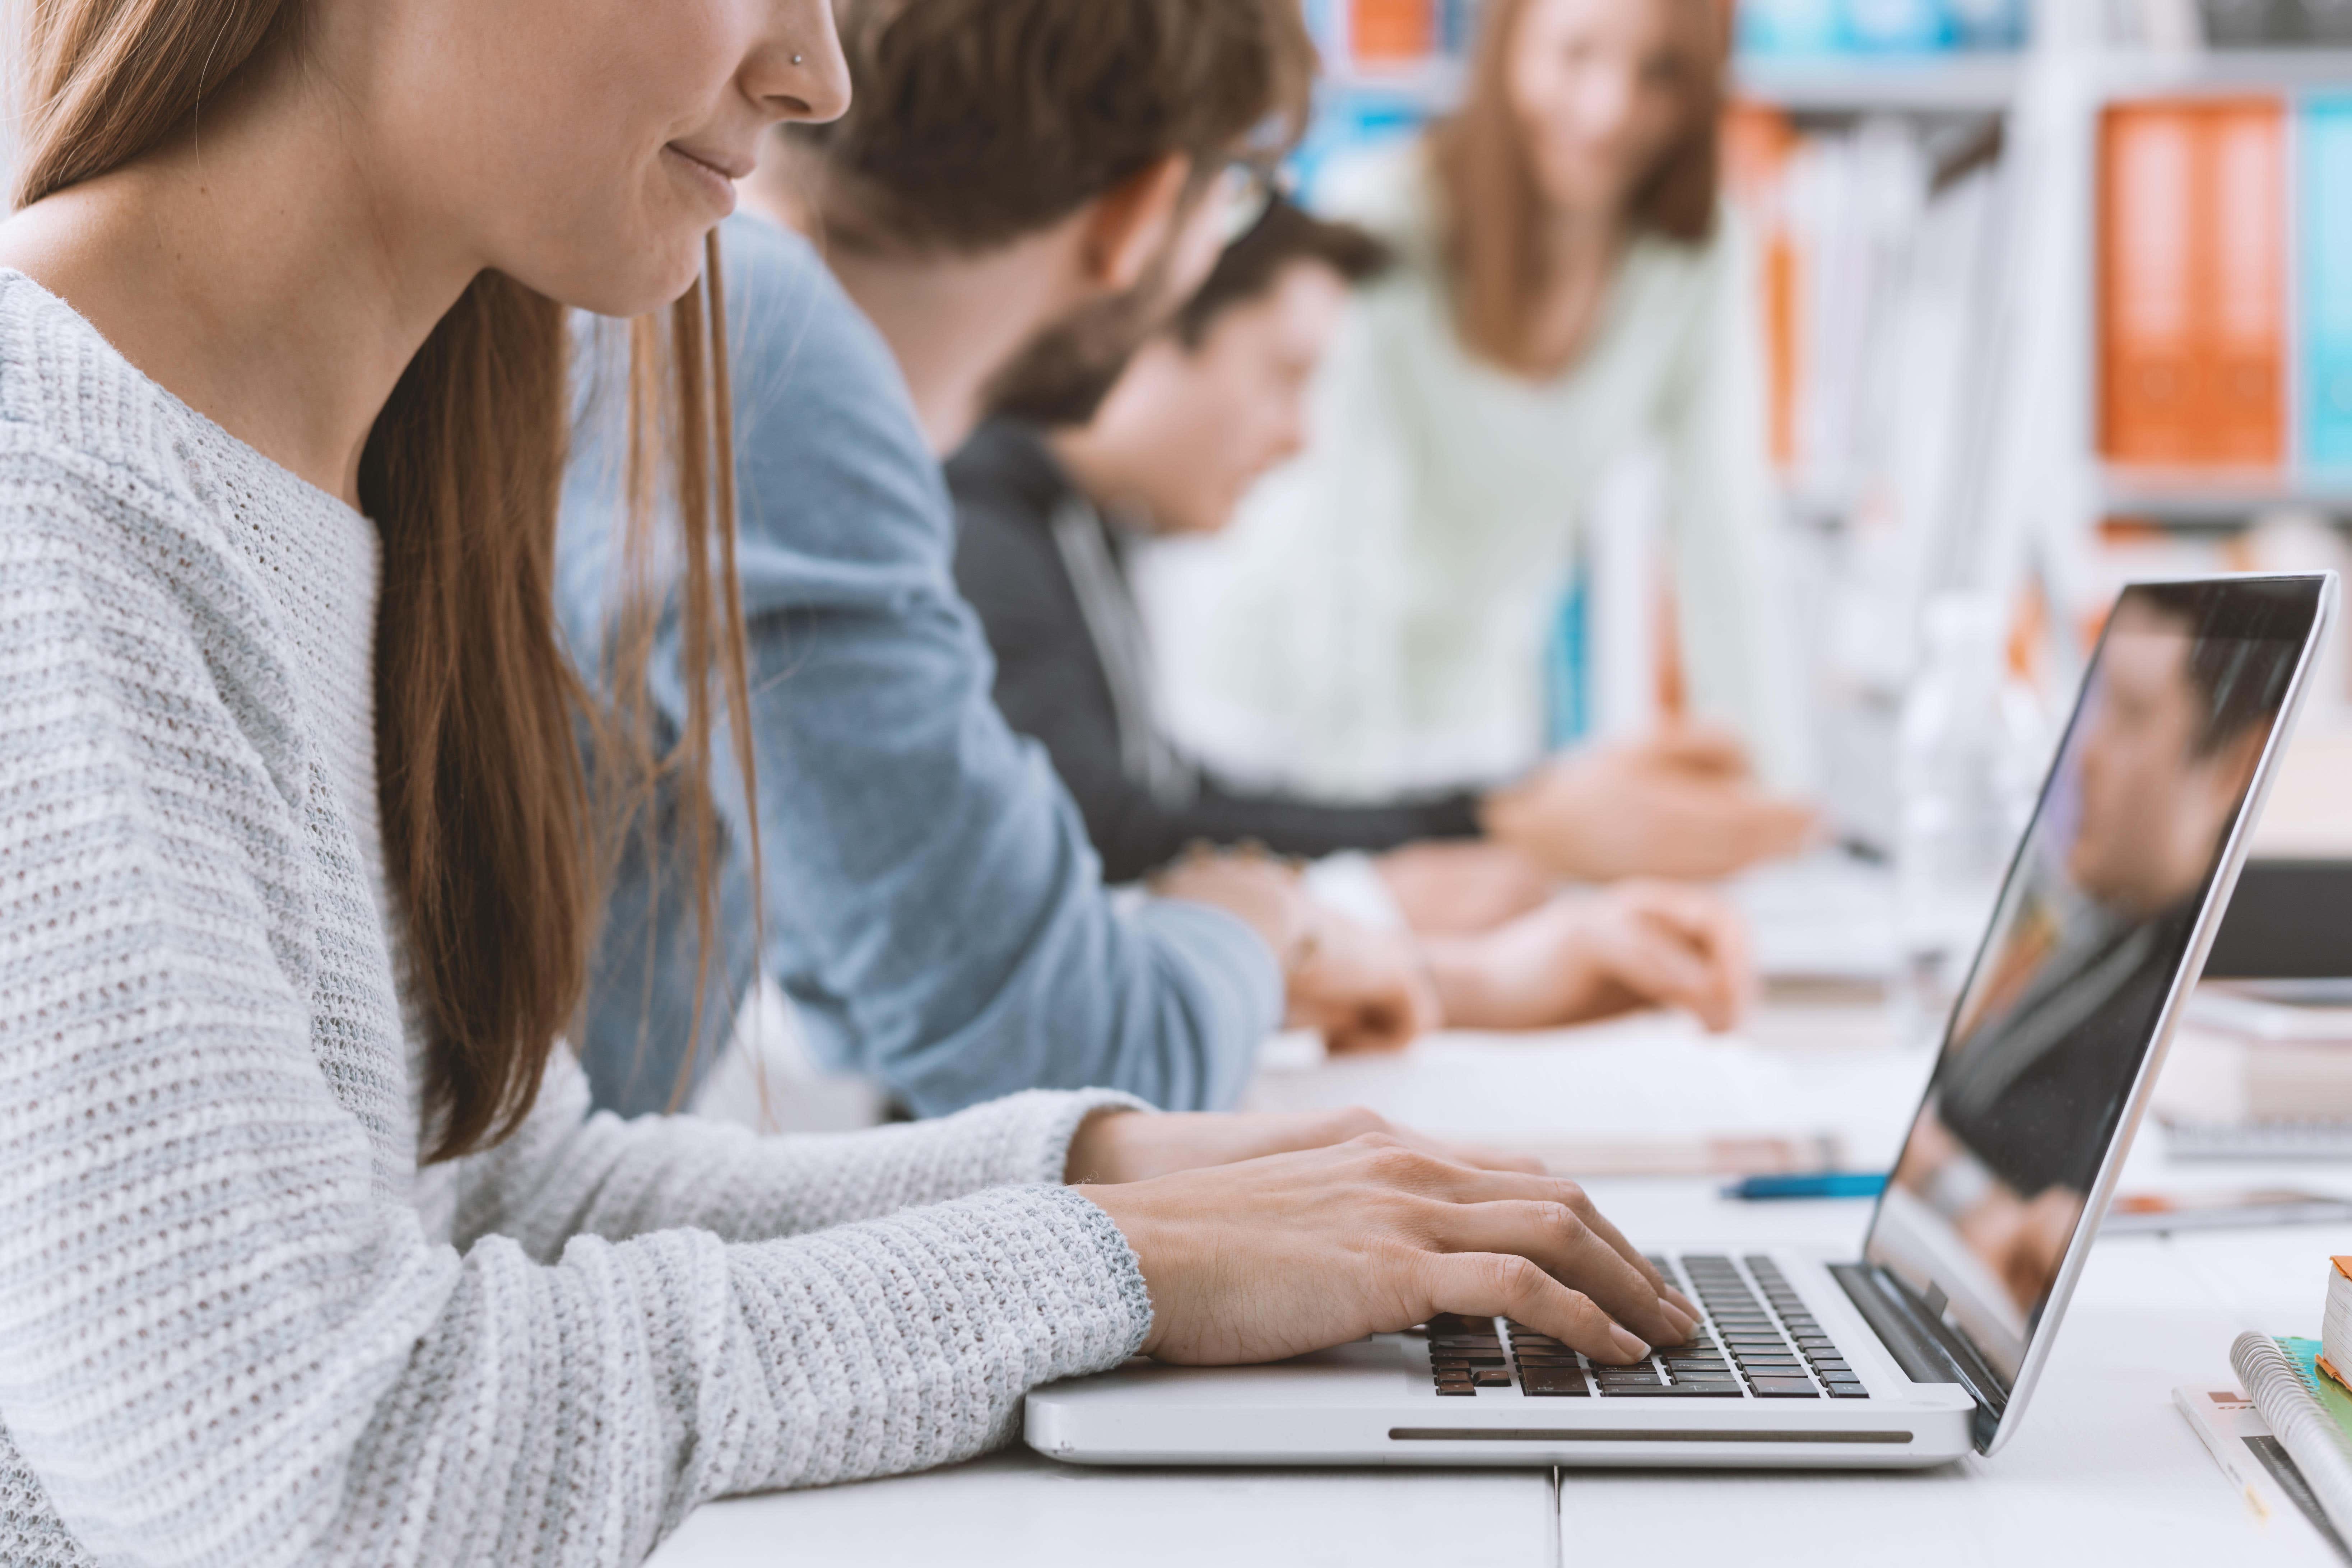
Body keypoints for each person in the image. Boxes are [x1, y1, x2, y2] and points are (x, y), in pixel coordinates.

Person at [0, 1, 1698, 1562]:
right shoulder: (47, 505)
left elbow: (513, 1189)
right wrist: (1122, 1266)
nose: (815, 74)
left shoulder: (377, 460)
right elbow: (313, 1476)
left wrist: (1148, 1181)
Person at [558, 0, 1443, 1121]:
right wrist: (1253, 922)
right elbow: (1069, 1061)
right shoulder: (764, 350)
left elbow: (881, 974)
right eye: (1228, 200)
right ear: (1139, 211)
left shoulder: (726, 313)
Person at [950, 198, 1752, 1033]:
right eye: (1284, 376)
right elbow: (1106, 830)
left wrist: (1486, 819)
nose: (1297, 437)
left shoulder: (1077, 525)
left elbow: (1165, 796)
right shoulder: (982, 535)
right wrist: (1390, 885)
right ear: (1149, 330)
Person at [1153, 0, 1816, 879]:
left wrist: (1769, 816)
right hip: (1292, 719)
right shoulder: (1385, 213)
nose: (1608, 108)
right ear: (1508, 46)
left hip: (1480, 724)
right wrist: (1363, 856)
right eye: (1574, 54)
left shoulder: (1700, 253)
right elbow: (1341, 551)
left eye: (1658, 72)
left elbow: (1723, 538)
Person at [1888, 586, 2296, 1323]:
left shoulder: (2182, 1013)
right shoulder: (2100, 924)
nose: (2086, 757)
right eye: (2095, 706)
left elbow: (2029, 1235)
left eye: (2132, 716)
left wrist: (1955, 1190)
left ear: (2235, 765)